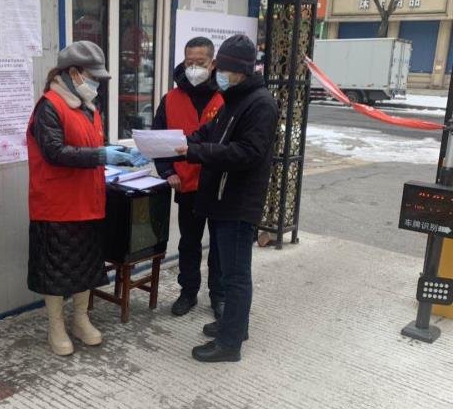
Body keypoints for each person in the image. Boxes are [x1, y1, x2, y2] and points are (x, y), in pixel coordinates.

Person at [26, 40, 145, 356]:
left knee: (86, 267)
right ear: (73, 72)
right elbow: (55, 152)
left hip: (89, 203)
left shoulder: (88, 108)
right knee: (55, 271)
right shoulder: (49, 106)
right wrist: (102, 155)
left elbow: (89, 145)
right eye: (92, 77)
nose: (96, 84)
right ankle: (55, 326)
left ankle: (80, 318)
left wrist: (113, 151)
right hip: (56, 206)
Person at [174, 34, 278, 363]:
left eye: (223, 69)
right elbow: (210, 132)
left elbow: (247, 153)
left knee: (235, 275)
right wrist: (182, 142)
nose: (217, 73)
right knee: (230, 271)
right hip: (221, 198)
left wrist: (196, 152)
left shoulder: (260, 104)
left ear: (240, 70)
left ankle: (230, 343)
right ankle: (234, 325)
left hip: (237, 202)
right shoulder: (234, 98)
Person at [152, 37, 225, 319]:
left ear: (212, 63)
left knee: (219, 244)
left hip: (219, 185)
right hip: (186, 184)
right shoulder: (171, 99)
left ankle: (219, 295)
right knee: (189, 243)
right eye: (189, 62)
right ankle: (188, 291)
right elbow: (157, 140)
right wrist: (167, 171)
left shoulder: (226, 97)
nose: (194, 68)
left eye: (200, 63)